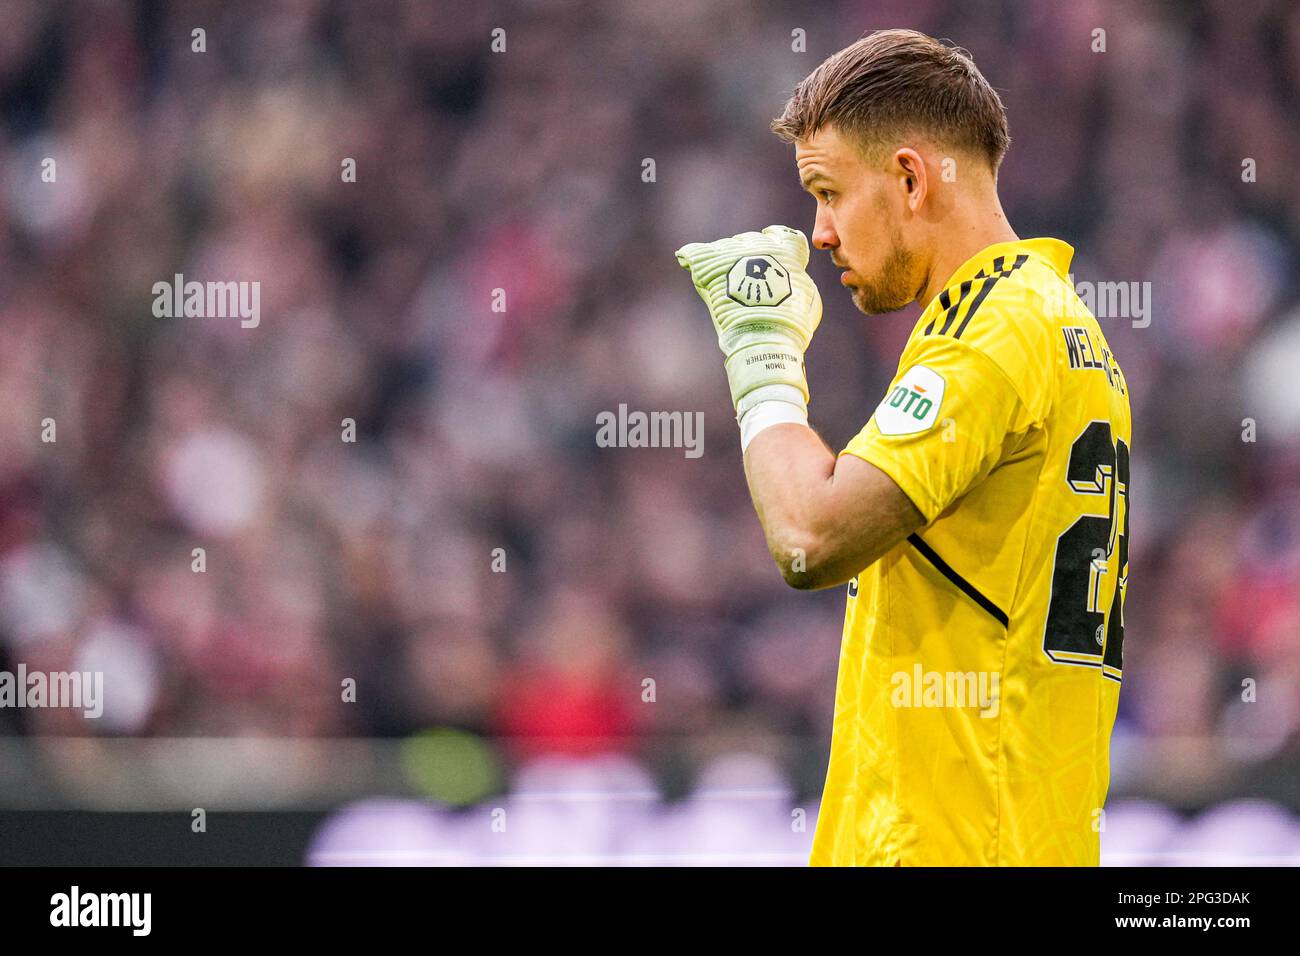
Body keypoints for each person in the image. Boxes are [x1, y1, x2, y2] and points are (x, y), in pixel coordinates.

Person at [675, 29, 1132, 866]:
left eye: (828, 192)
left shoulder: (989, 331)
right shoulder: (1062, 322)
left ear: (912, 179)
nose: (818, 233)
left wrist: (763, 358)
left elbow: (810, 537)